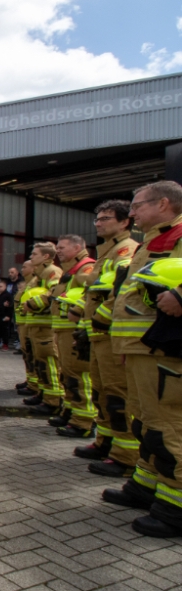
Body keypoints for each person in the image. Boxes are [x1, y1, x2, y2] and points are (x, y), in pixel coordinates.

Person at [104, 181, 182, 539]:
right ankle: (147, 487)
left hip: (161, 348)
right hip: (137, 348)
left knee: (168, 426)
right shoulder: (152, 240)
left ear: (164, 203)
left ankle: (175, 508)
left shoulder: (178, 234)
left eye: (138, 206)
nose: (132, 213)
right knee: (146, 424)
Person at [71, 200, 139, 475]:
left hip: (111, 332)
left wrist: (102, 314)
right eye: (97, 219)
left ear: (124, 222)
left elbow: (121, 288)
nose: (99, 223)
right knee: (101, 391)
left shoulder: (126, 250)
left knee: (118, 395)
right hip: (97, 333)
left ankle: (126, 456)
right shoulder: (106, 253)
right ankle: (106, 441)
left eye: (106, 218)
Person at [47, 235, 96, 438]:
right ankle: (70, 412)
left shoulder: (86, 267)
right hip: (63, 329)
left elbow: (90, 292)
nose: (58, 250)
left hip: (73, 329)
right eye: (57, 247)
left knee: (77, 375)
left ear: (78, 247)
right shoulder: (69, 269)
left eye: (62, 247)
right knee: (67, 374)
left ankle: (83, 422)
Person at [21, 242, 64, 415]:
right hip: (36, 325)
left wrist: (32, 303)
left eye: (34, 254)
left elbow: (54, 292)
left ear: (45, 256)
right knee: (40, 363)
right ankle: (44, 393)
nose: (31, 257)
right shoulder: (39, 274)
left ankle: (53, 401)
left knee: (49, 364)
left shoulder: (51, 271)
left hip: (45, 326)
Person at [0, 280, 14, 349]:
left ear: (5, 287)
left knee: (4, 330)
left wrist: (8, 316)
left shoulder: (8, 295)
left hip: (4, 315)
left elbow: (10, 307)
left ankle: (5, 344)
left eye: (1, 286)